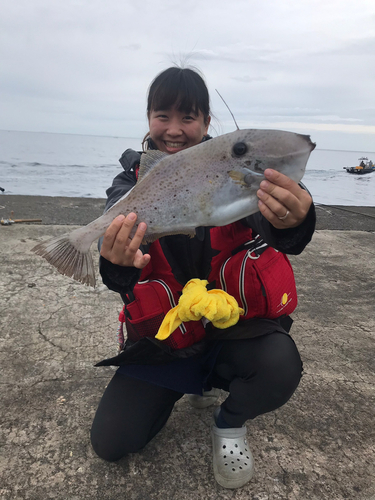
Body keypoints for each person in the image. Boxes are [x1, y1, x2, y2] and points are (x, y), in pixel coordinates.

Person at [90, 66, 316, 489]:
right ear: (148, 118)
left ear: (207, 123)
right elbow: (119, 277)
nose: (174, 130)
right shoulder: (128, 184)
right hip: (165, 343)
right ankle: (183, 385)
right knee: (111, 443)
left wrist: (296, 218)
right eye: (163, 116)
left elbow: (284, 235)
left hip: (233, 334)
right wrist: (116, 260)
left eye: (188, 118)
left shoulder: (236, 171)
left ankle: (229, 423)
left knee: (280, 365)